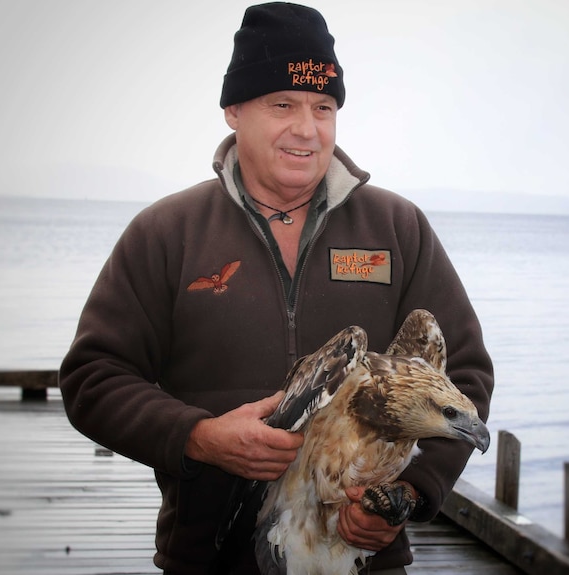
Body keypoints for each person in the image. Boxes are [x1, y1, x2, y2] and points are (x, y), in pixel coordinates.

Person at [59, 3, 493, 574]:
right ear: (234, 110)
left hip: (362, 556)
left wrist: (408, 494)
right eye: (282, 104)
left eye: (323, 107)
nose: (306, 129)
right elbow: (94, 379)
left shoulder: (396, 228)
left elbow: (463, 379)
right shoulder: (168, 232)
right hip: (211, 554)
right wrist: (197, 436)